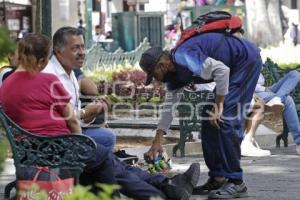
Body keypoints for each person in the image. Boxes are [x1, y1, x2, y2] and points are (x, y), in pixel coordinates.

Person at [0, 33, 201, 200]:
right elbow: (71, 120)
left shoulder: (6, 84)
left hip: (31, 150)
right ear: (43, 60)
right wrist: (80, 142)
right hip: (60, 149)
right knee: (104, 157)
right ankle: (159, 192)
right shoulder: (46, 81)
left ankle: (165, 187)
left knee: (108, 161)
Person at [139, 15, 262, 199]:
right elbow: (169, 106)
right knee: (208, 116)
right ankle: (219, 177)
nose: (155, 80)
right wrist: (158, 140)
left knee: (226, 118)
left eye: (153, 74)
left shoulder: (184, 56)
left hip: (245, 61)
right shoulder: (174, 75)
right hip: (233, 68)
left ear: (163, 64)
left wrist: (219, 105)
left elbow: (222, 71)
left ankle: (236, 182)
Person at [43, 27, 116, 151]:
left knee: (107, 137)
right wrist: (85, 112)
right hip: (56, 136)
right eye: (75, 48)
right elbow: (63, 120)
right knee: (106, 139)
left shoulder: (71, 73)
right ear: (58, 51)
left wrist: (94, 111)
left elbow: (78, 119)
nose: (82, 52)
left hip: (70, 129)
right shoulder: (50, 75)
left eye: (82, 47)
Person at [254, 71, 300, 155]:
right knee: (288, 100)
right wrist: (264, 89)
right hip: (255, 93)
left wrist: (266, 89)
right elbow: (244, 83)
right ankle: (299, 142)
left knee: (295, 74)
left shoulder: (256, 59)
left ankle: (277, 99)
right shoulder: (242, 59)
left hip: (266, 90)